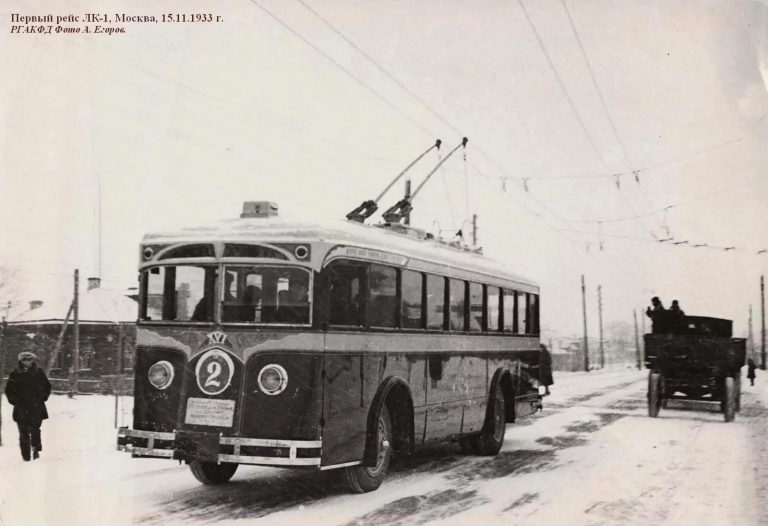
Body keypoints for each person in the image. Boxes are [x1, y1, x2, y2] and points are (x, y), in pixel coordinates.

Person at [4, 352, 52, 461]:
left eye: (31, 360)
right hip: (21, 407)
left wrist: (43, 397)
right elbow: (9, 390)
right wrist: (14, 401)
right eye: (26, 360)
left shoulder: (38, 372)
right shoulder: (15, 374)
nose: (29, 362)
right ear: (21, 361)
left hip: (36, 406)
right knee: (23, 432)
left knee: (35, 429)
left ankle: (36, 450)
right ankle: (26, 456)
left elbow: (47, 386)